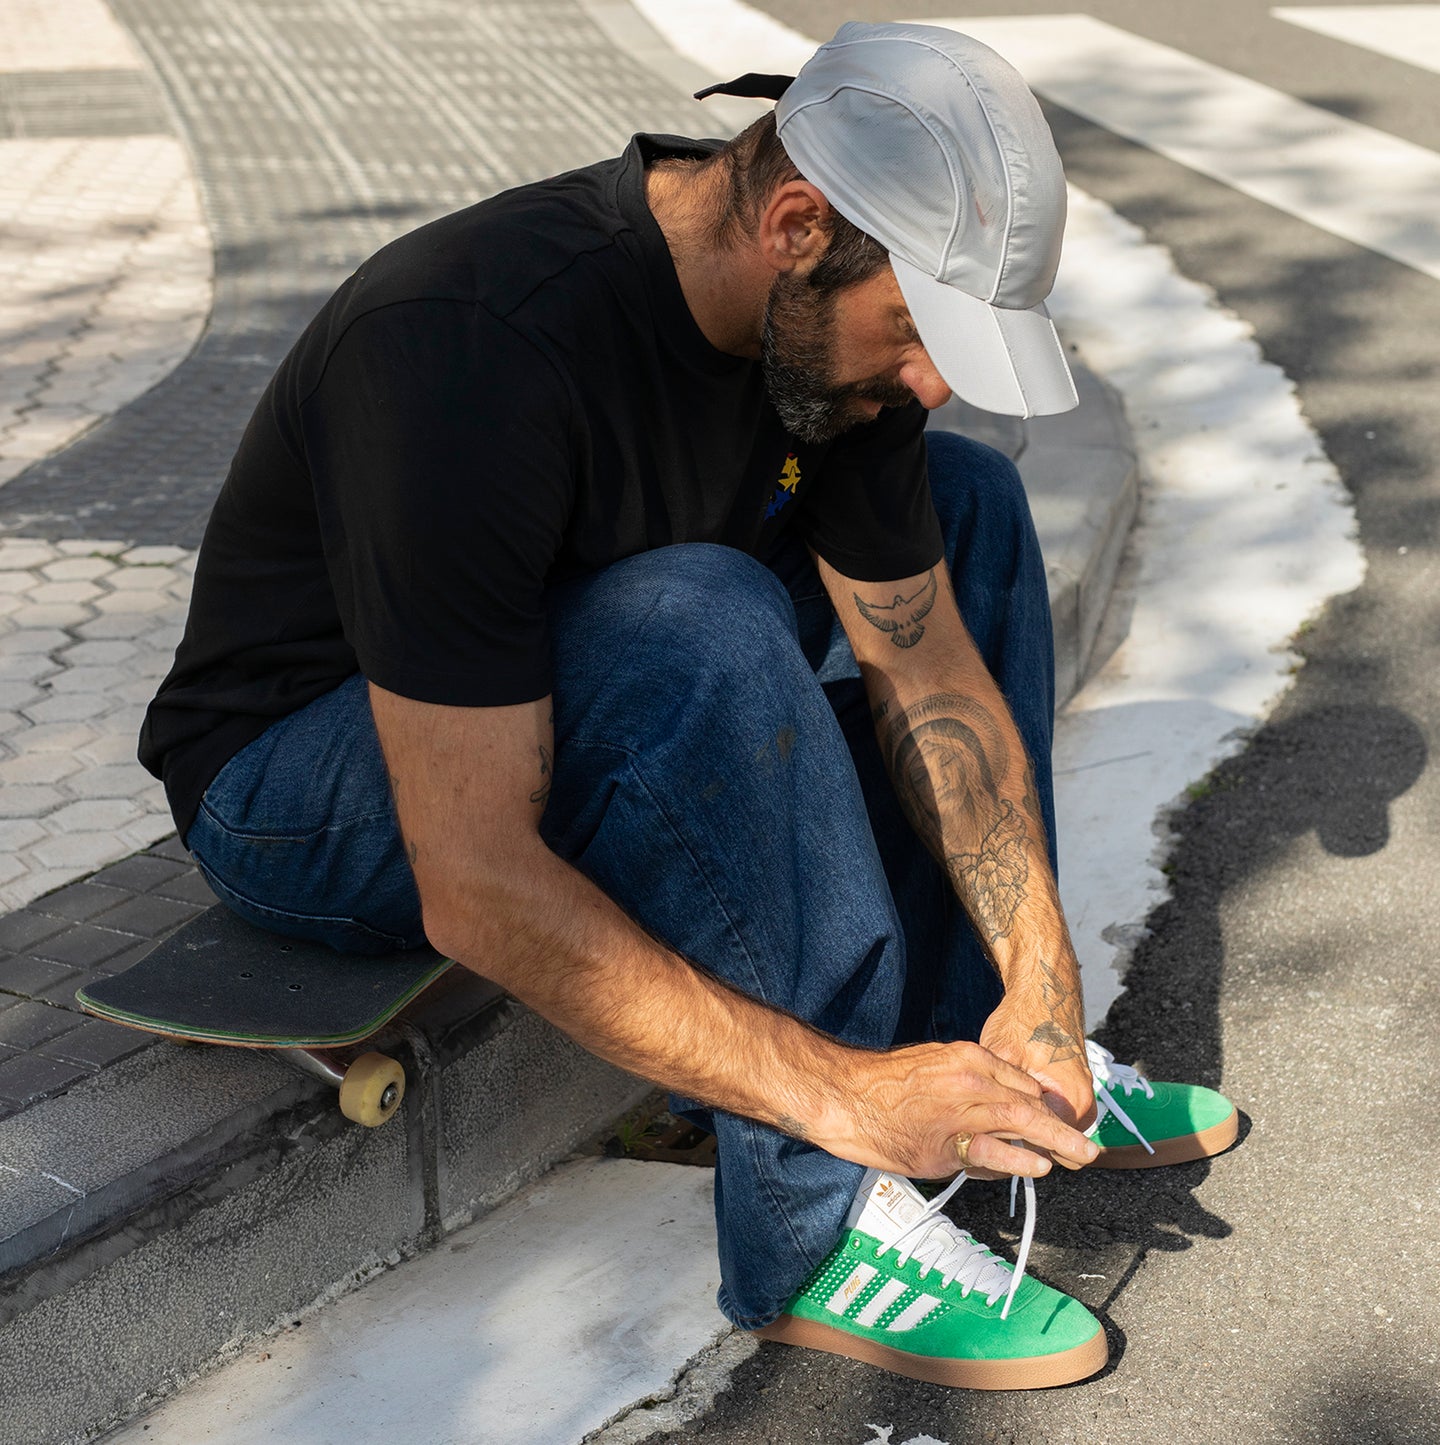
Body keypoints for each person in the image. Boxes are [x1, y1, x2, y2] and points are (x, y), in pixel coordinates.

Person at [139, 22, 1237, 1389]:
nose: (929, 381)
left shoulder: (829, 341)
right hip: (306, 782)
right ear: (792, 222)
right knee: (696, 616)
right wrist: (831, 1089)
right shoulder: (468, 345)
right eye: (916, 328)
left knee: (971, 507)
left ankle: (981, 1071)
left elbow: (929, 672)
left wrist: (1040, 971)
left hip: (568, 678)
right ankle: (821, 1220)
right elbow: (473, 880)